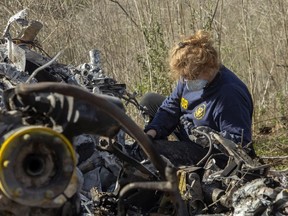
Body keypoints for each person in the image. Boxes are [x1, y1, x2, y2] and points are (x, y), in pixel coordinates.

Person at [140, 30, 255, 167]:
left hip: (211, 152)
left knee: (156, 151)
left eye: (192, 77)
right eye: (184, 76)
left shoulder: (229, 94)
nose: (187, 80)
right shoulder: (188, 78)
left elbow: (240, 143)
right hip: (189, 129)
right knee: (150, 101)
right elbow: (171, 106)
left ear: (209, 67)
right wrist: (152, 131)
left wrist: (211, 138)